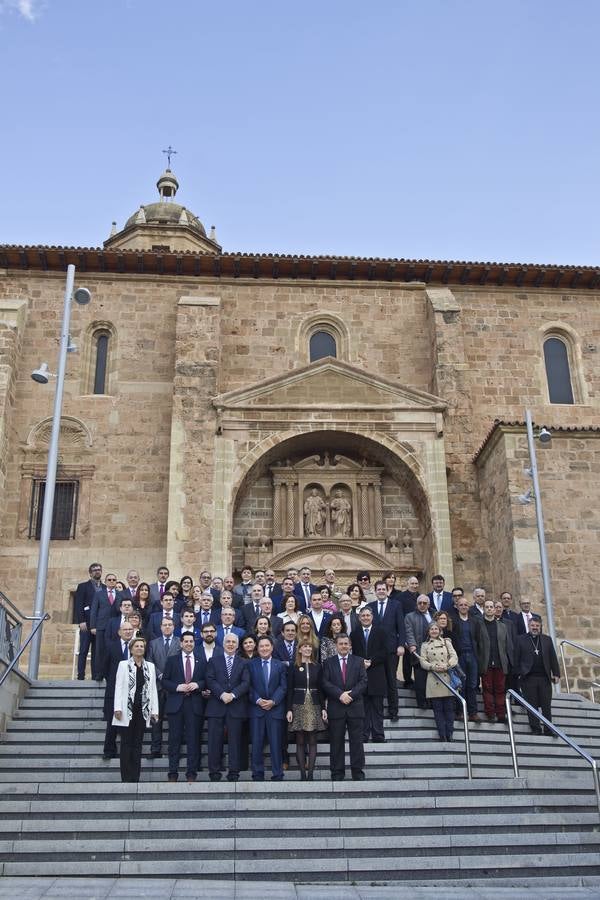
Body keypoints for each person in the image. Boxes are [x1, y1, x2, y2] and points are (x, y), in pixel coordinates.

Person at [322, 634, 368, 781]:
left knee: (357, 743)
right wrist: (340, 694)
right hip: (336, 707)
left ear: (350, 646)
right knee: (336, 742)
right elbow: (325, 682)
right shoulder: (328, 662)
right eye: (340, 644)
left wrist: (351, 695)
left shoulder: (359, 661)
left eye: (346, 644)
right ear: (336, 645)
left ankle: (357, 772)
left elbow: (363, 681)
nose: (343, 646)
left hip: (355, 707)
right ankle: (337, 773)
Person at [112, 637, 159, 782]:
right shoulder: (123, 665)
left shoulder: (150, 666)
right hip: (127, 709)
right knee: (126, 743)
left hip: (142, 709)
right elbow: (118, 687)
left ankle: (135, 777)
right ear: (131, 649)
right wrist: (117, 708)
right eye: (136, 646)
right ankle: (126, 777)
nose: (139, 648)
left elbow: (152, 689)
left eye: (142, 646)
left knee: (138, 744)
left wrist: (155, 710)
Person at [205, 633, 250, 781]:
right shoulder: (213, 661)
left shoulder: (243, 662)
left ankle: (234, 772)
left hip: (235, 706)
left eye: (233, 642)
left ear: (237, 646)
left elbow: (245, 683)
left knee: (235, 742)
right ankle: (214, 772)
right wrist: (221, 694)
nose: (230, 644)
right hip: (216, 706)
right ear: (223, 644)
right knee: (214, 741)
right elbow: (210, 679)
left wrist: (233, 695)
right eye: (228, 642)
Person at [162, 632, 206, 782]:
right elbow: (164, 681)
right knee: (174, 740)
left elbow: (207, 680)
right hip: (176, 705)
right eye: (186, 641)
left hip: (194, 705)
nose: (188, 644)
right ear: (180, 643)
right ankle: (172, 773)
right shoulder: (172, 660)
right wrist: (177, 687)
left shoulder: (201, 660)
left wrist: (198, 684)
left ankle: (191, 773)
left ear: (194, 643)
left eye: (191, 641)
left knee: (194, 740)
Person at [248, 636, 287, 781]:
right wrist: (258, 700)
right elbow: (248, 686)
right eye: (261, 646)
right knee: (257, 743)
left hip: (275, 710)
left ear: (272, 647)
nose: (264, 648)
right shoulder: (250, 665)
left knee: (276, 743)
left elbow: (283, 687)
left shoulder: (280, 665)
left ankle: (278, 773)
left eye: (267, 646)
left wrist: (273, 701)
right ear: (257, 649)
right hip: (256, 710)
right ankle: (257, 773)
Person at [286, 641, 327, 779]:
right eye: (305, 646)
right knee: (300, 740)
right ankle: (302, 773)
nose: (308, 649)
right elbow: (289, 689)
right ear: (299, 650)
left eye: (310, 647)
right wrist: (289, 709)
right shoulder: (294, 666)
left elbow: (321, 689)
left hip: (314, 704)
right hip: (298, 704)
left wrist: (323, 708)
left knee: (313, 740)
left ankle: (311, 773)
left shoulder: (317, 667)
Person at [514, 615, 561, 735]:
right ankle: (535, 728)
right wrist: (519, 673)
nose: (535, 628)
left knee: (546, 705)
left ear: (540, 627)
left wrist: (556, 673)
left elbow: (552, 657)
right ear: (528, 626)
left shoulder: (547, 639)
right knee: (532, 705)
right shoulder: (520, 639)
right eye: (532, 625)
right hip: (528, 678)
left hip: (544, 678)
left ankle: (548, 728)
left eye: (537, 626)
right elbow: (516, 658)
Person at [368, 580, 405, 722]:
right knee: (377, 680)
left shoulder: (396, 605)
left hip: (391, 649)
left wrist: (401, 644)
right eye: (379, 589)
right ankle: (376, 711)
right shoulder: (370, 607)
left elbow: (401, 626)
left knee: (391, 680)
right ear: (375, 591)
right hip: (375, 651)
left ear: (387, 590)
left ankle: (393, 710)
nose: (381, 591)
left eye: (383, 589)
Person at [350, 606, 388, 743]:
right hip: (361, 675)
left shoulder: (381, 632)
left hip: (377, 673)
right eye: (363, 616)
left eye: (368, 615)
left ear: (372, 617)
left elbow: (385, 651)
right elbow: (352, 653)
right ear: (359, 618)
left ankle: (378, 735)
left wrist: (371, 661)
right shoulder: (354, 634)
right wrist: (361, 663)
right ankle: (364, 735)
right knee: (363, 708)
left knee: (377, 708)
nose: (365, 618)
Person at [418, 621, 458, 742]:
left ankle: (450, 733)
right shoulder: (424, 645)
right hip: (434, 678)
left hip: (447, 678)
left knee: (449, 709)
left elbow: (454, 656)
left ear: (440, 631)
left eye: (436, 629)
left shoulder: (447, 642)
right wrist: (432, 667)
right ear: (428, 632)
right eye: (432, 629)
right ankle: (442, 735)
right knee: (438, 710)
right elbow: (422, 661)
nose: (434, 631)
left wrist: (447, 665)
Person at [146, 617, 180, 758]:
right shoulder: (153, 643)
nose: (167, 627)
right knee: (156, 719)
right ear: (160, 627)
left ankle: (174, 749)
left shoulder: (180, 642)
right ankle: (155, 748)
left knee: (175, 721)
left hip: (174, 687)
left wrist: (170, 678)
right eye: (164, 625)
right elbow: (149, 661)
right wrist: (160, 675)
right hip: (157, 685)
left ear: (174, 627)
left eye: (169, 625)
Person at [102, 621, 134, 761]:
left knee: (130, 723)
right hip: (113, 691)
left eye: (130, 629)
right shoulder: (110, 647)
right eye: (125, 629)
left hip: (132, 690)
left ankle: (127, 752)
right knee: (112, 722)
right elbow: (104, 667)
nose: (128, 631)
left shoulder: (137, 647)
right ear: (119, 632)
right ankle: (109, 750)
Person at [449, 597, 484, 722]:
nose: (463, 607)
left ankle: (473, 712)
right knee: (460, 685)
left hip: (472, 655)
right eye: (461, 605)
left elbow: (478, 639)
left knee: (473, 684)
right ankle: (460, 711)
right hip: (459, 656)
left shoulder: (474, 621)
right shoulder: (453, 621)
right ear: (457, 606)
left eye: (465, 605)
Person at [479, 598, 511, 723]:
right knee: (487, 689)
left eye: (491, 607)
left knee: (500, 689)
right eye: (487, 607)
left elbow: (506, 645)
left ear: (495, 609)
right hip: (486, 662)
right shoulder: (479, 625)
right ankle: (490, 713)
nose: (489, 609)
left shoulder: (502, 626)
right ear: (484, 609)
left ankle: (501, 714)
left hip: (500, 662)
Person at [73, 562, 103, 680]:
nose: (97, 571)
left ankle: (95, 675)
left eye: (99, 569)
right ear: (90, 573)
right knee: (84, 650)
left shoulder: (105, 588)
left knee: (97, 651)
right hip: (86, 624)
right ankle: (81, 675)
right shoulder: (83, 586)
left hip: (99, 625)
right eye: (95, 570)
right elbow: (79, 604)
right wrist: (81, 621)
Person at [405, 594, 434, 710]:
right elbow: (409, 632)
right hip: (418, 653)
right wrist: (412, 645)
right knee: (420, 681)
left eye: (424, 603)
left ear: (429, 604)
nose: (422, 605)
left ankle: (432, 702)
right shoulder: (410, 616)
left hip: (433, 654)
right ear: (416, 604)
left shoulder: (434, 615)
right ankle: (422, 703)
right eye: (420, 603)